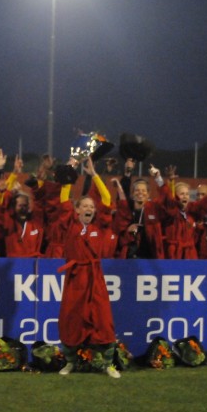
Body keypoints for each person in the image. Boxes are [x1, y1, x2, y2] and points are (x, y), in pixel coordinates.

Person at [56, 157, 120, 379]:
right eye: (85, 206)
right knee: (71, 319)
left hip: (95, 278)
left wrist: (94, 174)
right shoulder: (70, 225)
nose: (90, 208)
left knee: (102, 319)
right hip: (75, 279)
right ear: (77, 210)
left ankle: (108, 364)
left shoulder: (99, 226)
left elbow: (106, 198)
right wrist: (70, 171)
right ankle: (70, 363)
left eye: (91, 207)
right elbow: (64, 198)